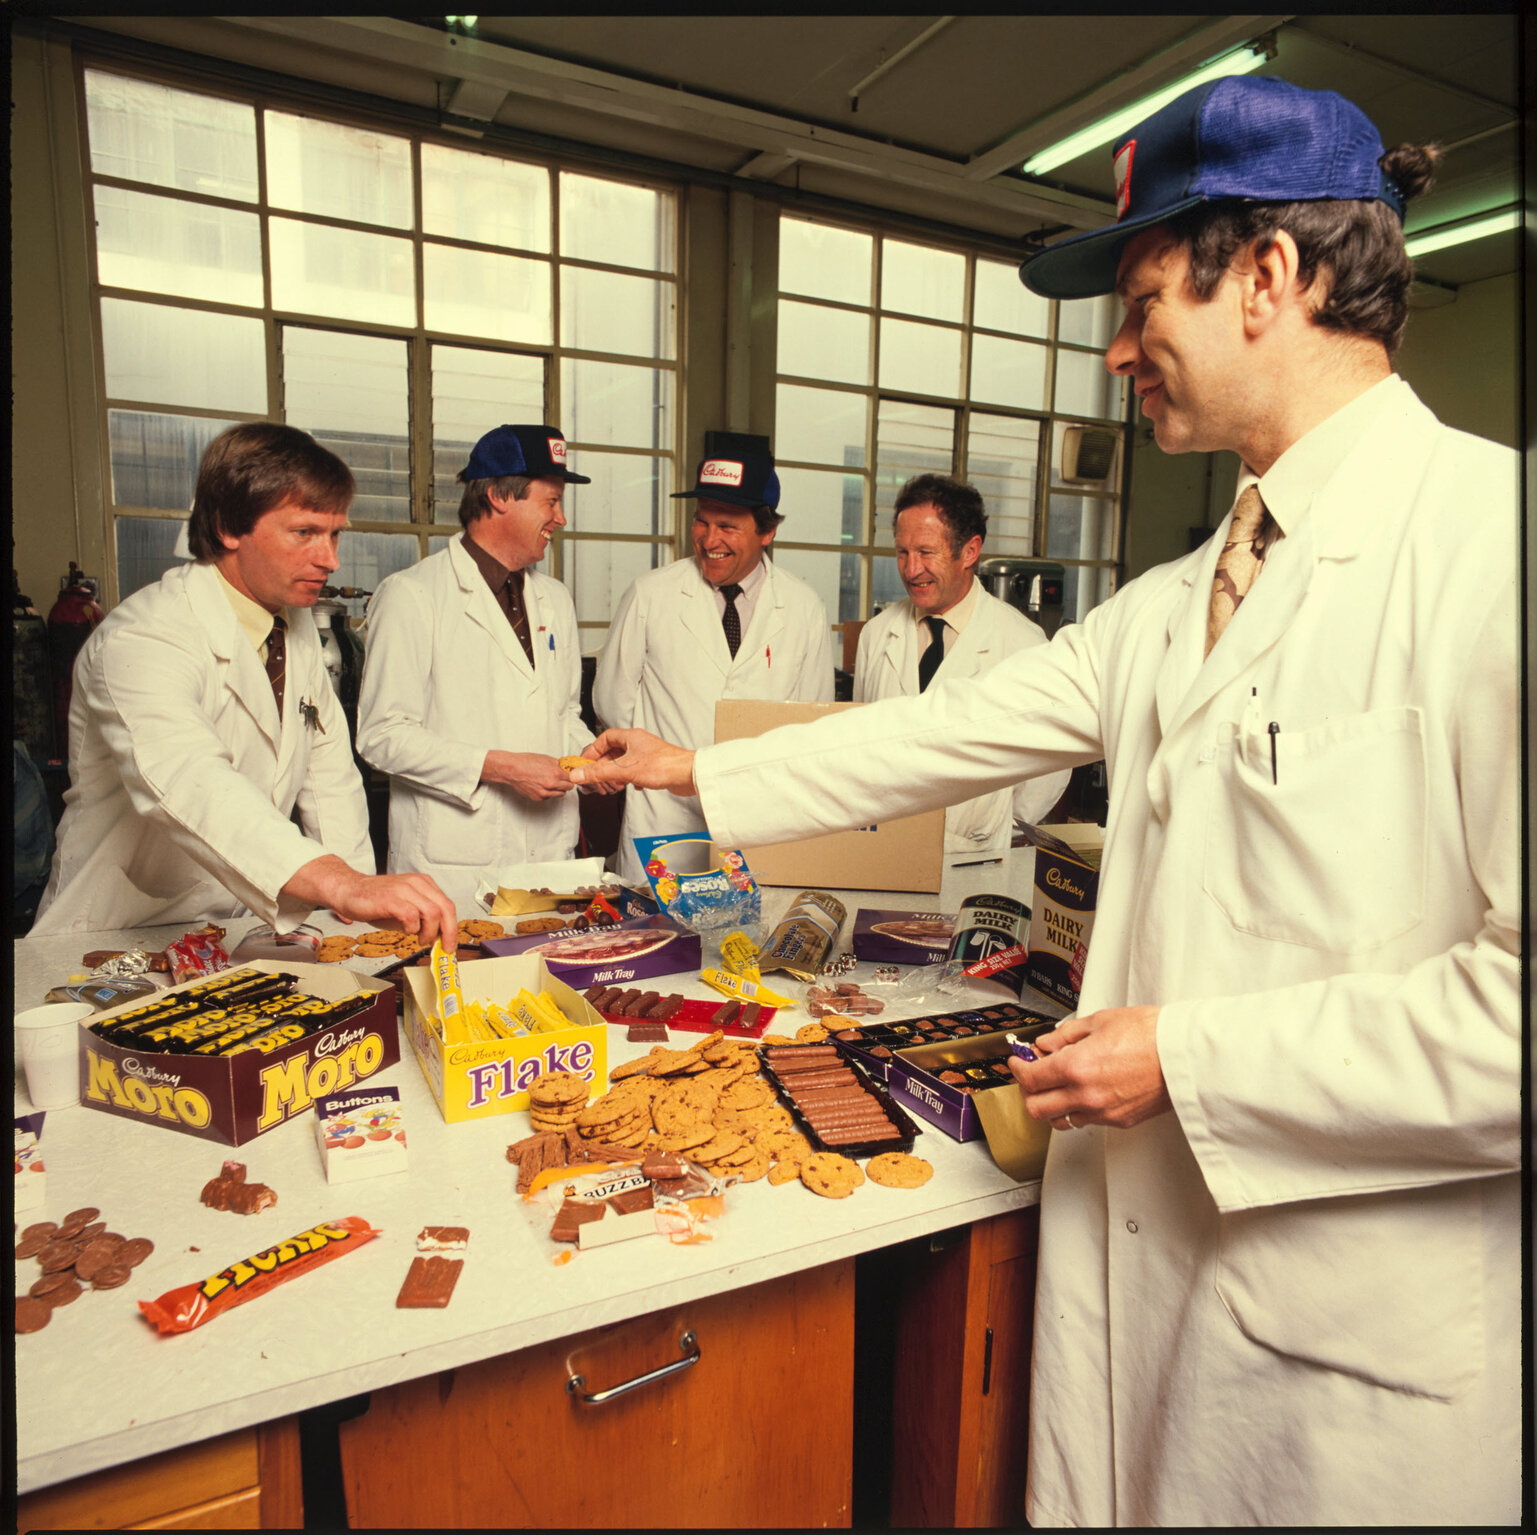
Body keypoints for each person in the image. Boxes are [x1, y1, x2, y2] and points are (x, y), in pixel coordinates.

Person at [570, 75, 1519, 1526]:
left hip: (1345, 1341)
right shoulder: (1177, 596)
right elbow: (939, 733)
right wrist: (697, 767)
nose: (1118, 353)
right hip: (1144, 1266)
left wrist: (1186, 1057)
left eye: (1141, 303)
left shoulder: (1489, 552)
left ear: (1268, 275)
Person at [32, 422, 457, 942]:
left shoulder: (293, 627)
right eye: (304, 532)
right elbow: (188, 779)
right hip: (115, 932)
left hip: (228, 929)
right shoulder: (142, 637)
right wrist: (338, 883)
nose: (330, 559)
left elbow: (329, 780)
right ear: (228, 526)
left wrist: (358, 907)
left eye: (335, 534)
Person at [356, 425, 611, 899]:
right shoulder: (412, 594)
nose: (560, 518)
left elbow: (561, 713)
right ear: (498, 496)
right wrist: (501, 767)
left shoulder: (554, 598)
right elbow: (382, 736)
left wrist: (591, 759)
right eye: (551, 502)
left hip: (549, 853)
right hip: (455, 862)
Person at [592, 439, 833, 883]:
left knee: (752, 926)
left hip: (759, 824)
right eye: (701, 521)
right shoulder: (651, 594)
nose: (709, 539)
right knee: (659, 925)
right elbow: (613, 702)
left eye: (727, 526)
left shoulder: (803, 608)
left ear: (767, 532)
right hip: (663, 820)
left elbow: (810, 723)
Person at [854, 472, 1069, 857]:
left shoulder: (1022, 643)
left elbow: (1051, 767)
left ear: (969, 551)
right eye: (902, 552)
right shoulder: (877, 635)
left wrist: (995, 825)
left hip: (976, 853)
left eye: (926, 552)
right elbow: (857, 747)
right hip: (883, 848)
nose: (911, 570)